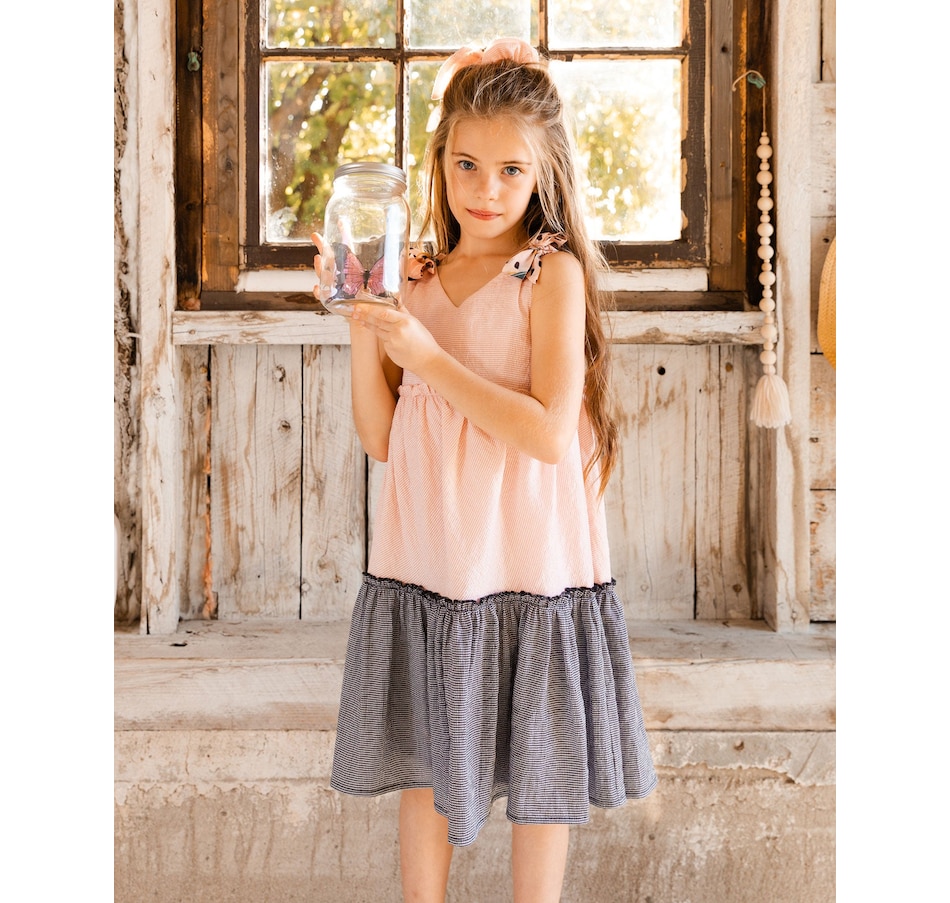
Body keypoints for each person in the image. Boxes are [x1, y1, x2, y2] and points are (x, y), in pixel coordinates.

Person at [313, 37, 657, 903]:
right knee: (431, 753)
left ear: (544, 173)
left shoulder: (550, 274)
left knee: (542, 757)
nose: (486, 190)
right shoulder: (416, 278)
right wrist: (365, 318)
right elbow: (381, 436)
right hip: (435, 559)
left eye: (510, 171)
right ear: (440, 161)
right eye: (467, 165)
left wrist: (426, 356)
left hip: (529, 559)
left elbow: (547, 433)